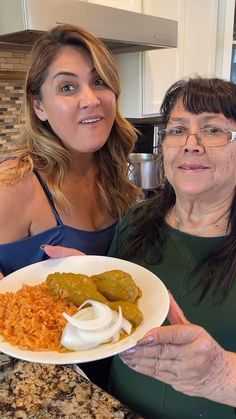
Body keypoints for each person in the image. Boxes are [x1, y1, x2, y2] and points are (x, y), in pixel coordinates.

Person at [0, 24, 140, 389]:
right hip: (43, 379)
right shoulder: (16, 182)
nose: (91, 99)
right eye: (67, 87)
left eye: (99, 82)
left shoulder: (115, 174)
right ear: (39, 106)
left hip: (113, 366)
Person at [105, 77, 236, 418]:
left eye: (213, 130)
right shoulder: (134, 222)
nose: (191, 144)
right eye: (178, 130)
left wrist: (220, 374)